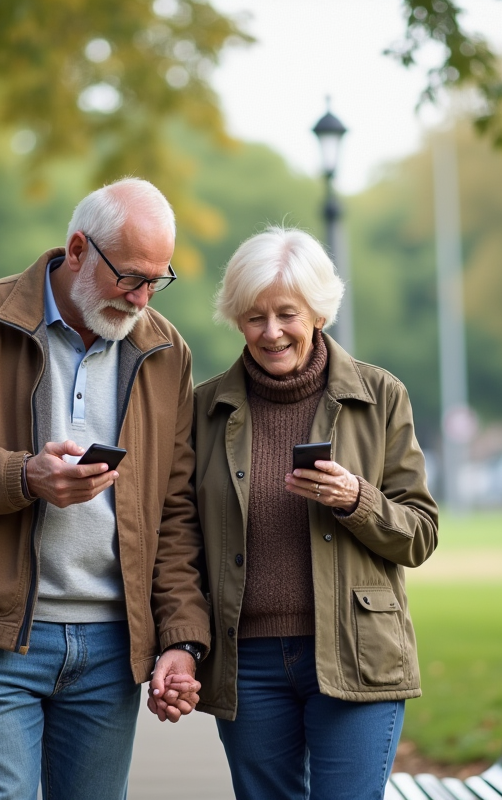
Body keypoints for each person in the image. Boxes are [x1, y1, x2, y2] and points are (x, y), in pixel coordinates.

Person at [0, 178, 208, 800]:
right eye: (131, 276)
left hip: (113, 645)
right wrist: (24, 476)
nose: (142, 297)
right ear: (80, 248)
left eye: (156, 280)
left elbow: (174, 512)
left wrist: (181, 639)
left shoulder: (166, 351)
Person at [192, 226, 440, 800]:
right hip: (247, 661)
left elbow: (421, 534)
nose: (271, 332)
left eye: (287, 314)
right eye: (255, 317)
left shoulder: (380, 397)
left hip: (357, 651)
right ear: (236, 319)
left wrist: (358, 500)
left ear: (319, 314)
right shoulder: (204, 409)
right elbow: (179, 535)